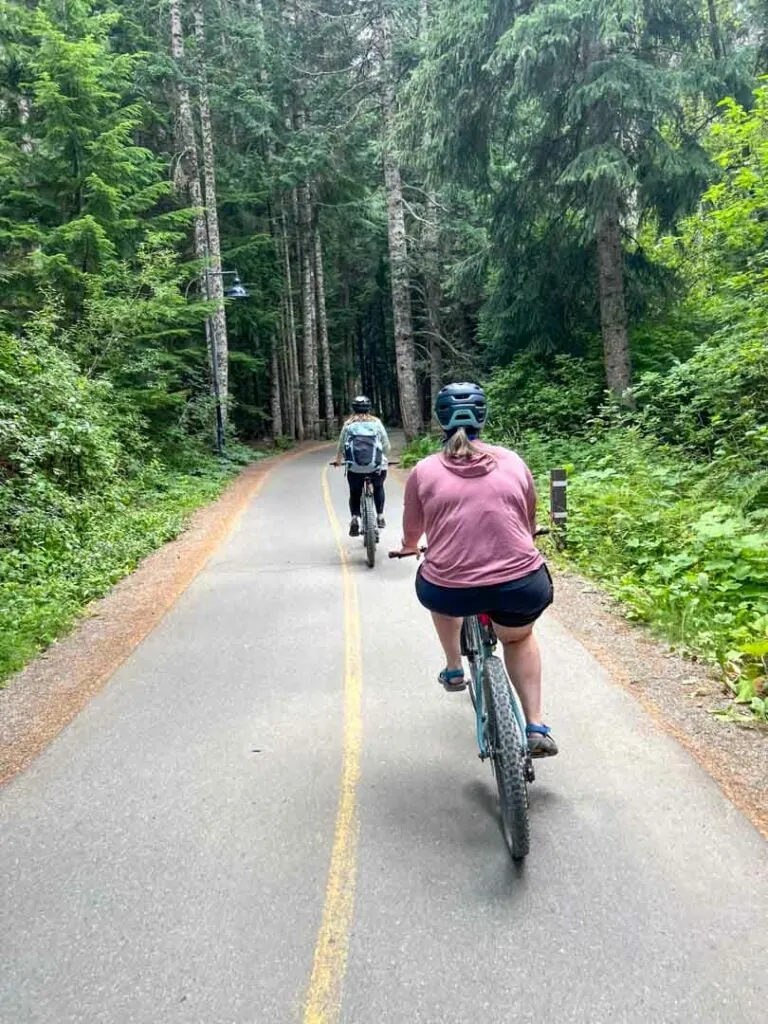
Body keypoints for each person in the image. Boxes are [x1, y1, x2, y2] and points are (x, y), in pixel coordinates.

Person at [392, 382, 557, 757]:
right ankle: (535, 725)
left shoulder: (424, 470)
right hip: (520, 585)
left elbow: (413, 531)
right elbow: (527, 521)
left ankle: (453, 667)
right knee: (517, 638)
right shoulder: (513, 461)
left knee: (435, 576)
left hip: (451, 591)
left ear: (440, 421)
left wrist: (408, 547)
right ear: (484, 417)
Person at [334, 396, 391, 537]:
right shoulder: (376, 423)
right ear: (369, 408)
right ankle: (380, 515)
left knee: (354, 492)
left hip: (355, 469)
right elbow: (386, 446)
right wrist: (382, 456)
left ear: (353, 408)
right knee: (378, 487)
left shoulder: (348, 424)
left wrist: (338, 460)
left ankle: (355, 518)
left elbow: (341, 445)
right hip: (376, 467)